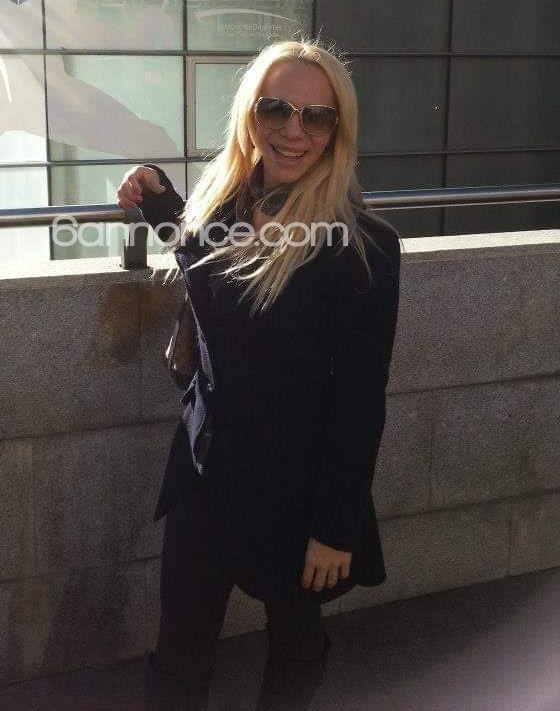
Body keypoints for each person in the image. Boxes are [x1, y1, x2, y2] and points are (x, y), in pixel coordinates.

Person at [116, 39, 402, 711]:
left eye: (316, 116)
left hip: (294, 491)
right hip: (205, 473)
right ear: (250, 115)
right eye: (276, 109)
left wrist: (335, 527)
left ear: (338, 130)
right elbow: (202, 262)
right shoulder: (224, 208)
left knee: (295, 642)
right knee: (179, 654)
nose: (294, 131)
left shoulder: (359, 246)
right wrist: (159, 196)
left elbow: (360, 398)